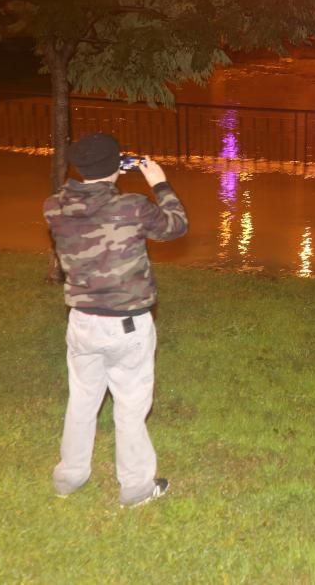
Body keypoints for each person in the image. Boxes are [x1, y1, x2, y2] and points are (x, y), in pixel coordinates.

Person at [44, 132, 188, 508]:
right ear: (115, 166)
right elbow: (176, 226)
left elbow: (83, 199)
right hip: (128, 324)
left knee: (82, 400)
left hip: (81, 321)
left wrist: (107, 175)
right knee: (129, 405)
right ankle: (136, 487)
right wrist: (159, 182)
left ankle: (69, 477)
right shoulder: (133, 206)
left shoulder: (53, 206)